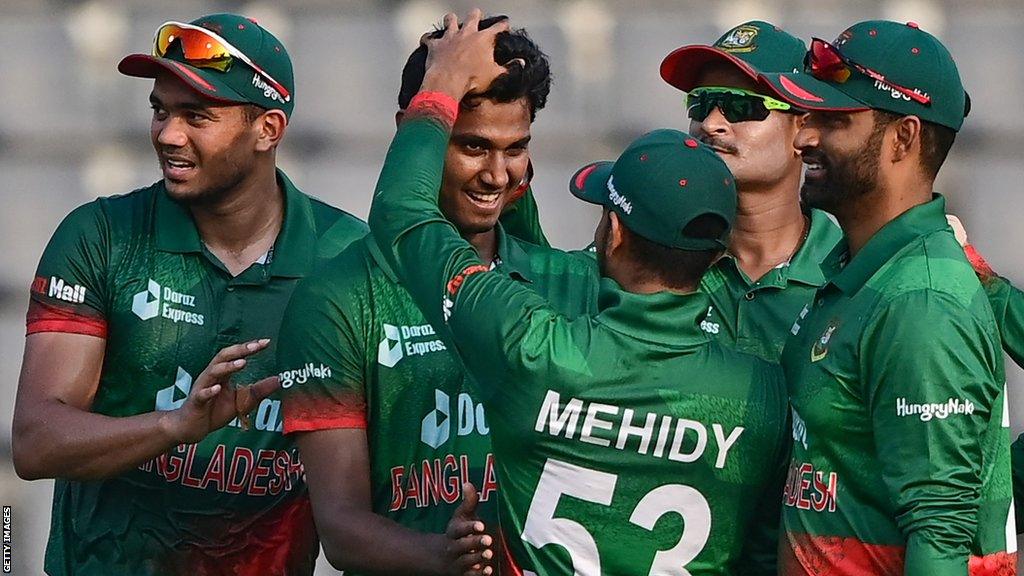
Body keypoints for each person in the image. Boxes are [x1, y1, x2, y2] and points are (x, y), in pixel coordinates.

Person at [367, 11, 789, 574]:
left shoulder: (534, 346)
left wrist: (440, 86)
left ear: (612, 233)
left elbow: (402, 212)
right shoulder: (762, 392)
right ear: (716, 258)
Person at [11, 13, 367, 575]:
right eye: (160, 110)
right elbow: (35, 442)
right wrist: (175, 427)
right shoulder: (100, 235)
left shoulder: (348, 256)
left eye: (196, 115)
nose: (167, 134)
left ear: (268, 129)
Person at [275, 14, 599, 576]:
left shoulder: (570, 280)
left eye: (514, 147)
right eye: (472, 146)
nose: (496, 175)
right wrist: (443, 557)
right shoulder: (335, 298)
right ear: (415, 133)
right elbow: (341, 529)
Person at [758, 20, 1016, 573]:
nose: (803, 138)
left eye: (834, 122)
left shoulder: (920, 302)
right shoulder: (859, 274)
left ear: (903, 138)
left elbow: (941, 536)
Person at [660, 21, 843, 362]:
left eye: (740, 106)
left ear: (804, 128)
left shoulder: (851, 272)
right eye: (702, 104)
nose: (710, 124)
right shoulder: (653, 252)